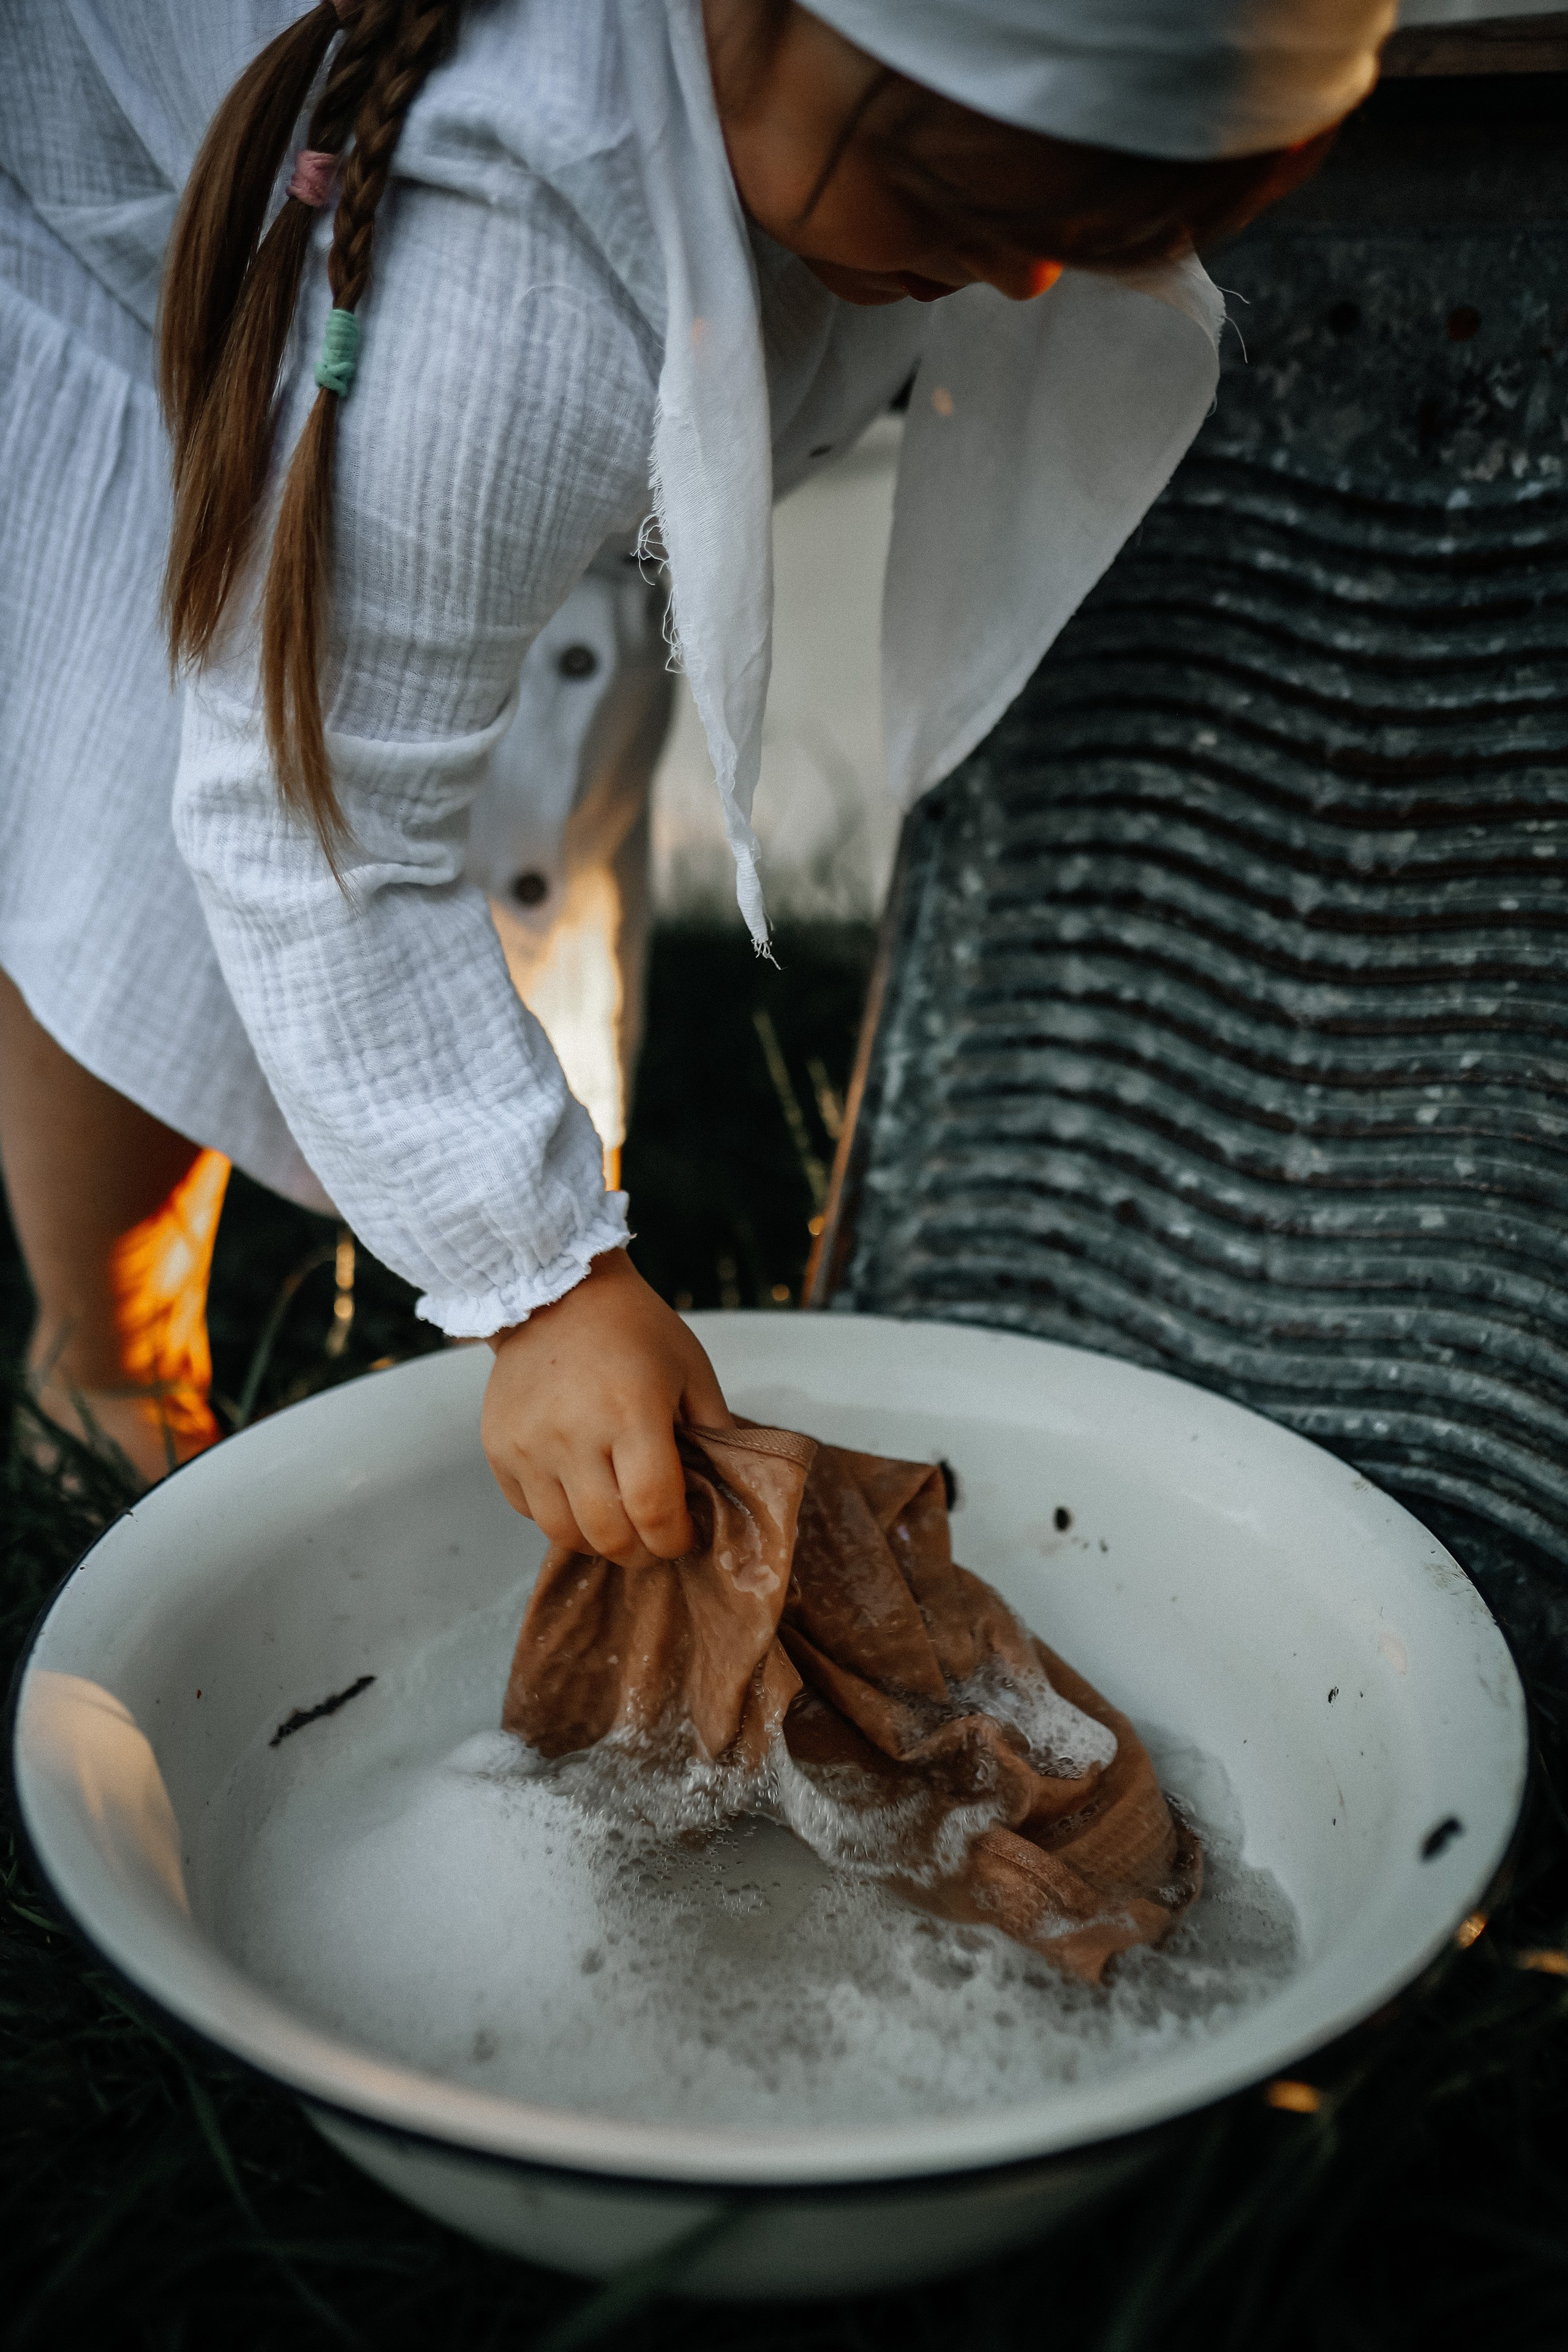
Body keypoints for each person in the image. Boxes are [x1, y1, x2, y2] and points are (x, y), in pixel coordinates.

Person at [0, 0, 1392, 1528]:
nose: (1026, 274)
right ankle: (113, 1365)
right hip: (131, 289)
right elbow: (313, 812)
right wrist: (536, 1287)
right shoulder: (505, 263)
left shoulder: (760, 157)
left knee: (532, 783)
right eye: (953, 202)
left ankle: (514, 1221)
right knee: (130, 901)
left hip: (512, 387)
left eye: (1099, 226)